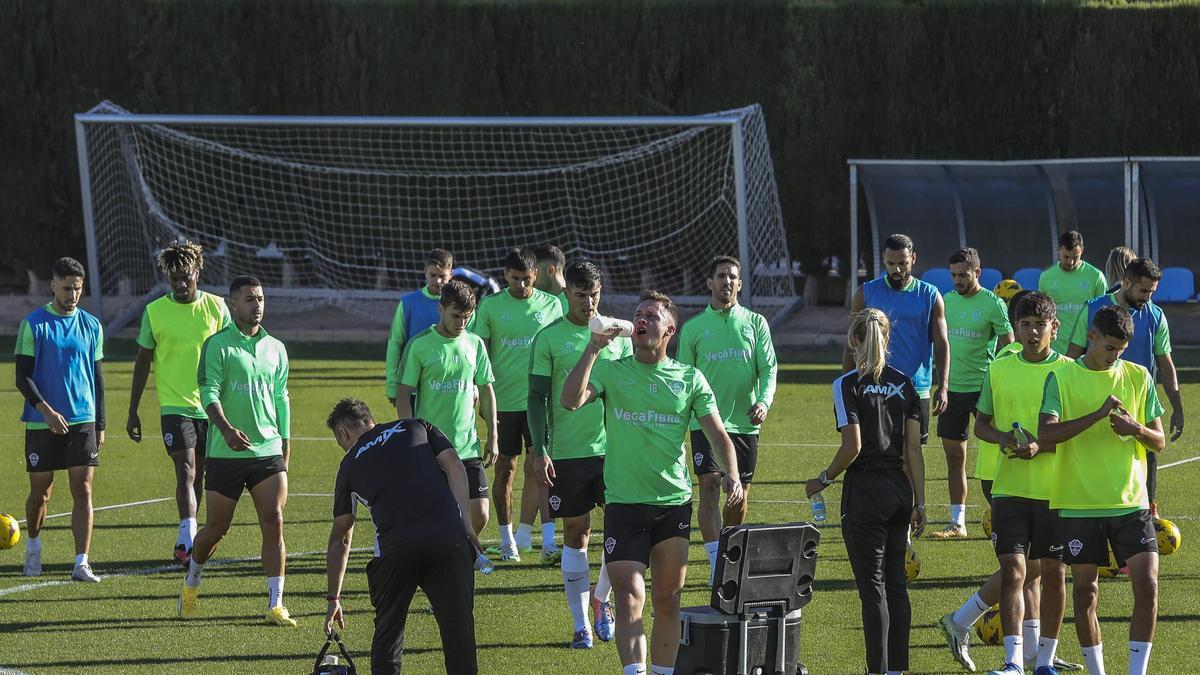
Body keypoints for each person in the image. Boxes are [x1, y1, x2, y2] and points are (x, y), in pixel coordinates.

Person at [561, 290, 744, 675]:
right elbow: (570, 400)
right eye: (638, 313)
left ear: (669, 330)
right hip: (624, 505)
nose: (641, 319)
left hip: (672, 505)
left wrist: (732, 475)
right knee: (629, 599)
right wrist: (594, 350)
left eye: (651, 315)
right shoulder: (613, 369)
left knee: (667, 601)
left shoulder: (689, 377)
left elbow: (719, 436)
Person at [946, 292, 1076, 675]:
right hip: (1008, 488)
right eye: (1025, 324)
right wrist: (1003, 438)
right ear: (1014, 327)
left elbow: (1076, 431)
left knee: (1051, 573)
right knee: (1017, 572)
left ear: (1055, 327)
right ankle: (1013, 662)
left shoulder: (1069, 371)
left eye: (1040, 325)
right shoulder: (999, 368)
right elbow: (981, 423)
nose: (1033, 332)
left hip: (1057, 489)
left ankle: (1042, 660)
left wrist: (1043, 446)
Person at [1038, 305, 1165, 675]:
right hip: (1079, 504)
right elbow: (1046, 434)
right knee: (1086, 595)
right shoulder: (1060, 377)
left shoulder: (1139, 376)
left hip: (1130, 503)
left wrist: (1136, 429)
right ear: (1091, 337)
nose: (1115, 356)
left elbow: (1158, 440)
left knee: (1148, 586)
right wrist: (1096, 415)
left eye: (1121, 350)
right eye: (1109, 347)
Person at [323, 399, 481, 675]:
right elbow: (455, 465)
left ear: (342, 434)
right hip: (448, 537)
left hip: (397, 548)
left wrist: (334, 597)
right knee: (459, 632)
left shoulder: (349, 464)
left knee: (389, 632)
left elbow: (341, 538)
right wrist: (465, 526)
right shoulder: (416, 425)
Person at [809, 308, 926, 675]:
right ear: (887, 339)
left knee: (872, 589)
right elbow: (914, 450)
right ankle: (898, 669)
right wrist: (920, 501)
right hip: (899, 490)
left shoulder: (847, 384)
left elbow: (853, 446)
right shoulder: (906, 384)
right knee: (896, 585)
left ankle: (877, 670)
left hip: (864, 493)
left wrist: (823, 479)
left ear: (854, 340)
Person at [178, 276, 296, 626]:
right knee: (216, 529)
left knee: (274, 521)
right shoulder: (217, 346)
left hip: (268, 450)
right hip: (226, 453)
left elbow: (281, 398)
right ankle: (192, 580)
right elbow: (208, 394)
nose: (256, 304)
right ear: (232, 305)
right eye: (248, 299)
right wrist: (226, 430)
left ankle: (276, 603)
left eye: (260, 298)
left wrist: (285, 443)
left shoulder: (276, 347)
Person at [529, 260, 631, 648]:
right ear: (566, 292)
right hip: (568, 452)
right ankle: (580, 624)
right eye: (580, 294)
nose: (589, 303)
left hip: (615, 450)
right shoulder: (549, 338)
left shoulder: (616, 334)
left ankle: (601, 598)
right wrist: (539, 450)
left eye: (595, 295)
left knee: (620, 529)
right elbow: (537, 398)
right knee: (577, 532)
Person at [127, 240, 231, 565]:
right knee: (185, 469)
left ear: (198, 271)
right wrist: (132, 410)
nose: (181, 284)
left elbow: (232, 353)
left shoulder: (216, 307)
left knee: (199, 474)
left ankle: (190, 535)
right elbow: (143, 360)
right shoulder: (155, 312)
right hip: (175, 406)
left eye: (186, 276)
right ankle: (186, 540)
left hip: (212, 407)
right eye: (174, 279)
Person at [676, 255, 778, 582]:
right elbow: (682, 378)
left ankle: (729, 553)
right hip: (705, 423)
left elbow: (769, 368)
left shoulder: (756, 323)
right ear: (709, 283)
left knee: (738, 496)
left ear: (740, 284)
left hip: (745, 424)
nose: (727, 281)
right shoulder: (693, 329)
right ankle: (716, 562)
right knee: (710, 485)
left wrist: (763, 402)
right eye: (721, 276)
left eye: (733, 277)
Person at [1066, 258, 1184, 517]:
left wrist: (1177, 405)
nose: (1148, 297)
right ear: (1126, 282)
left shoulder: (1155, 315)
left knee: (1147, 453)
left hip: (1138, 400)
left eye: (1152, 292)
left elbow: (1165, 362)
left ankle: (1146, 512)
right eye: (1144, 291)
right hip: (1093, 399)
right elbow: (1072, 356)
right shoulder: (1093, 309)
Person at [15, 257, 105, 582]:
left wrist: (101, 423)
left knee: (82, 489)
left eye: (78, 289)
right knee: (42, 492)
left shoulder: (92, 325)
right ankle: (34, 545)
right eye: (66, 288)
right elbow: (22, 378)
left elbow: (97, 377)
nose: (72, 295)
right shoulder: (34, 324)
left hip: (82, 420)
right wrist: (46, 410)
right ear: (53, 285)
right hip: (42, 422)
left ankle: (81, 562)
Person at [473, 247, 564, 562]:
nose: (522, 285)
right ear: (505, 276)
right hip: (504, 403)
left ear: (535, 275)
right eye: (515, 279)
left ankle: (550, 542)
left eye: (527, 279)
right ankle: (508, 540)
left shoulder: (552, 305)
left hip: (541, 402)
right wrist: (477, 392)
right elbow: (478, 353)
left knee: (544, 469)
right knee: (505, 471)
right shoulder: (490, 307)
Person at [396, 279, 498, 539]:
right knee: (434, 513)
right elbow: (404, 394)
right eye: (456, 316)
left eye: (467, 317)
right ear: (440, 309)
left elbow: (486, 389)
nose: (461, 323)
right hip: (432, 446)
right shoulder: (419, 345)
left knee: (480, 514)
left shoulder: (475, 344)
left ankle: (456, 553)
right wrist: (411, 438)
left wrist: (493, 435)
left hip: (468, 445)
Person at [931, 248, 1013, 539]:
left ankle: (1004, 517)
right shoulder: (945, 302)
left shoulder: (993, 305)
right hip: (952, 390)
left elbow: (1009, 347)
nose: (957, 281)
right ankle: (958, 522)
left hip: (984, 390)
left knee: (997, 455)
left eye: (963, 275)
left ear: (977, 273)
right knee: (955, 457)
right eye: (953, 275)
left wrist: (1003, 383)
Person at [845, 234, 949, 445]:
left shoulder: (930, 295)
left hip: (916, 389)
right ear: (884, 259)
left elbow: (941, 344)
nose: (897, 269)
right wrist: (845, 385)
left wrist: (944, 385)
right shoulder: (865, 293)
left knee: (912, 456)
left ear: (913, 259)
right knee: (875, 454)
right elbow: (851, 343)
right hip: (874, 387)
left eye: (902, 263)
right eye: (891, 263)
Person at [385, 248, 454, 404]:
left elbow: (471, 347)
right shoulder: (408, 303)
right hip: (413, 389)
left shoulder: (459, 304)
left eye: (442, 276)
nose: (437, 281)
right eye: (433, 275)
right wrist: (392, 385)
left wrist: (473, 386)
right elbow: (395, 344)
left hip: (450, 388)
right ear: (425, 272)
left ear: (451, 274)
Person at [1038, 230, 1106, 355]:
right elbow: (1041, 315)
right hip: (1055, 350)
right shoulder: (1046, 277)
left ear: (1082, 251)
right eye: (1066, 257)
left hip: (1086, 352)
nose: (1070, 262)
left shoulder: (1096, 277)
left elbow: (1102, 316)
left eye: (1075, 257)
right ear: (1058, 250)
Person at [532, 243, 569, 314]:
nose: (531, 279)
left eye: (535, 273)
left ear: (551, 270)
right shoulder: (535, 303)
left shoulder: (578, 304)